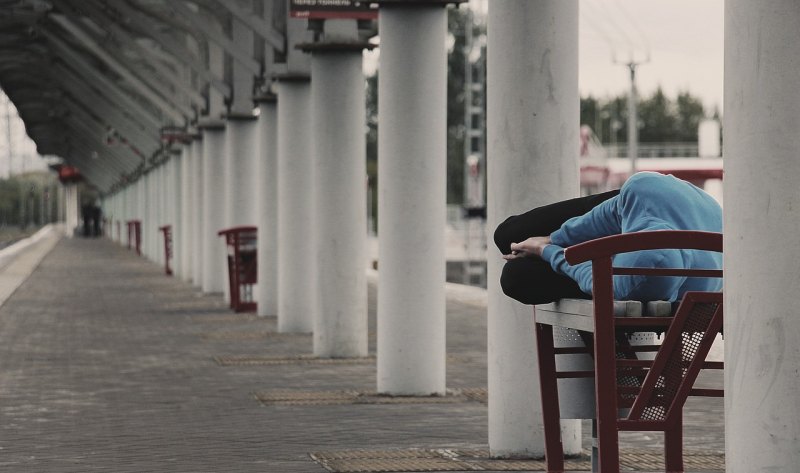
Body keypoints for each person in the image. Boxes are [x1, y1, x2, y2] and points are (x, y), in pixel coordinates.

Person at [495, 172, 722, 305]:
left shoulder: (642, 279)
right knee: (508, 238)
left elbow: (595, 278)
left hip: (674, 203)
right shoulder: (640, 194)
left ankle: (539, 249)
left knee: (515, 275)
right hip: (657, 201)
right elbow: (602, 218)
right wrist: (552, 239)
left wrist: (545, 250)